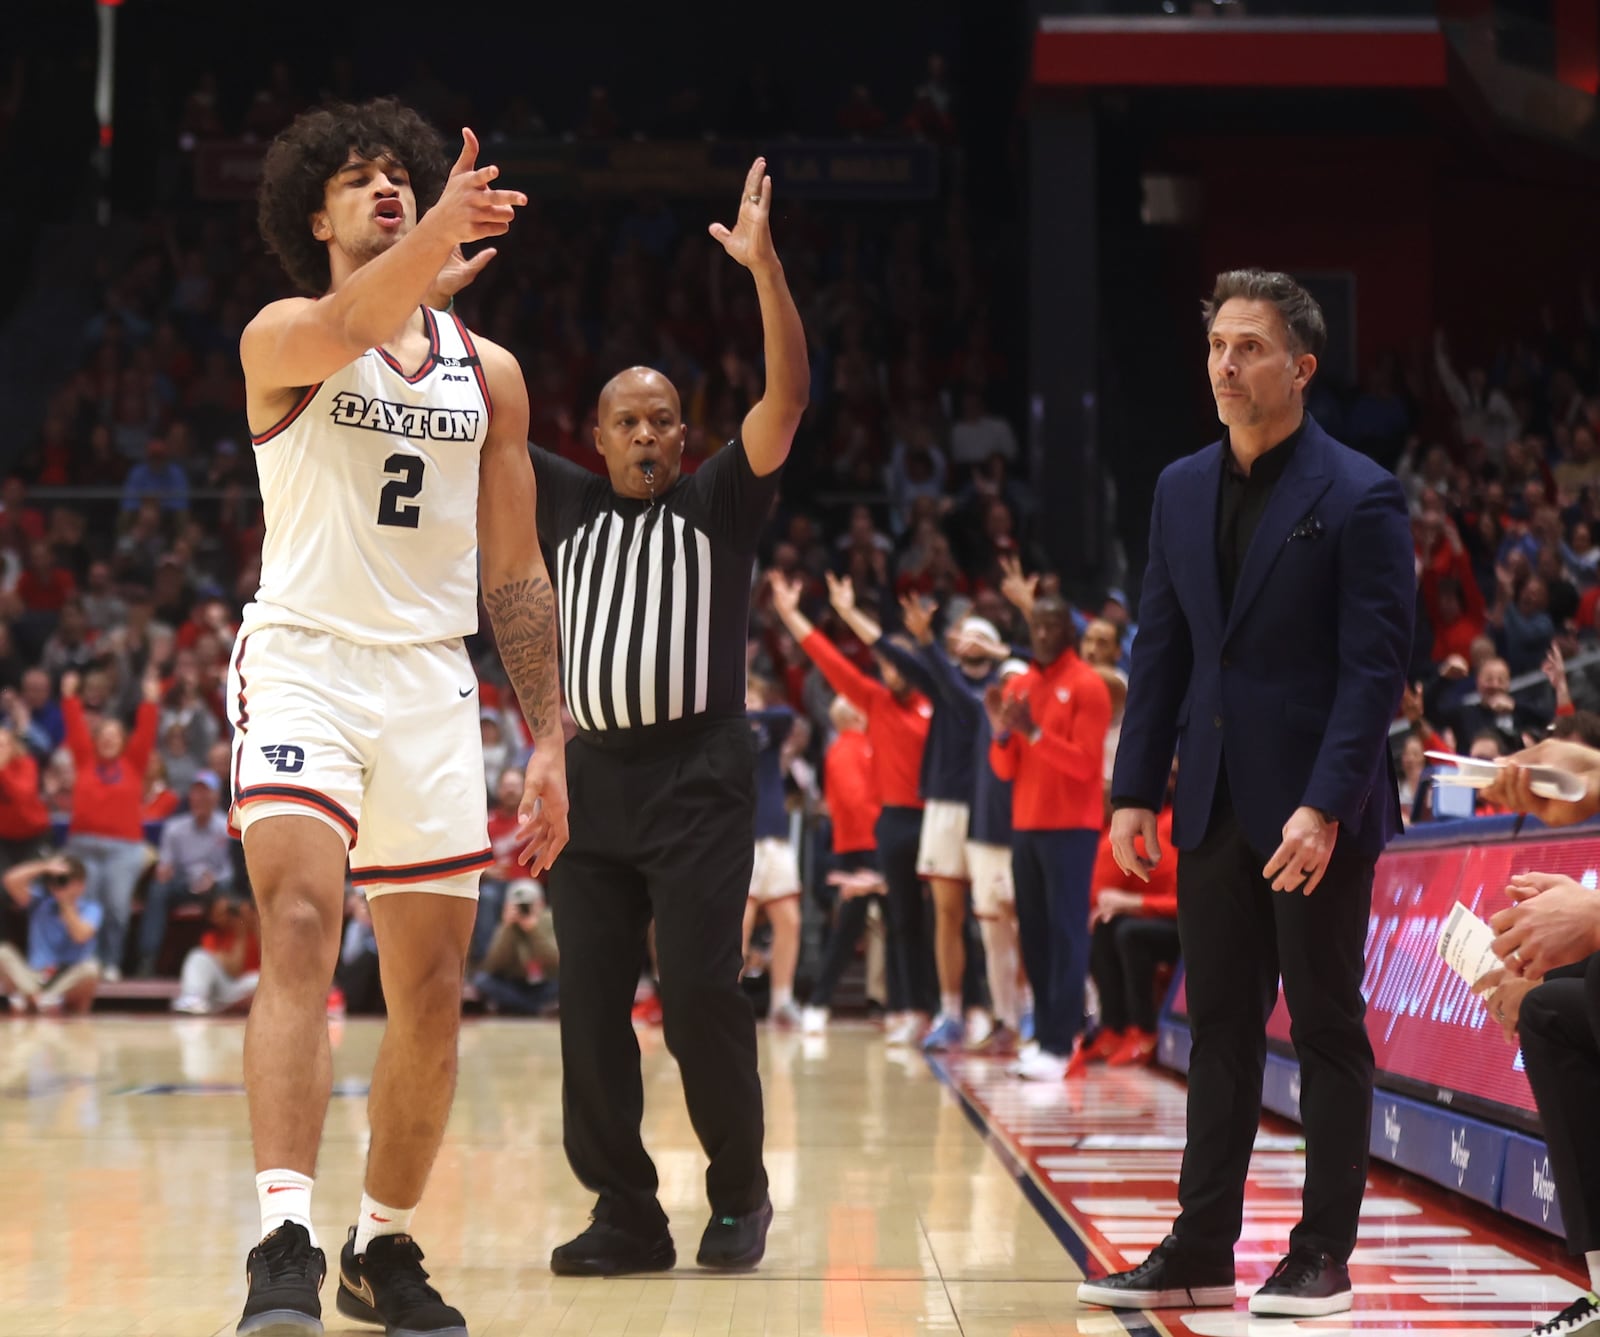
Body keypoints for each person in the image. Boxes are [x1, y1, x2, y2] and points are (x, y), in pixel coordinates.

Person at [231, 99, 566, 1337]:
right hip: (306, 659)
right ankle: (282, 1237)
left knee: (431, 987)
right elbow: (351, 322)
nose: (383, 191)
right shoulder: (284, 334)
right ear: (312, 216)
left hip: (431, 678)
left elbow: (515, 572)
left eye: (400, 179)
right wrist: (426, 240)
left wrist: (547, 739)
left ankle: (383, 1246)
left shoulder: (493, 375)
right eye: (359, 182)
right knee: (303, 922)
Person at [1081, 270, 1414, 1319]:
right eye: (1218, 344)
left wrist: (1324, 803)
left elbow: (1374, 670)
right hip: (1215, 803)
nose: (1226, 364)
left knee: (1322, 1026)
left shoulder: (1359, 492)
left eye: (1250, 347)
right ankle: (1200, 1244)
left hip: (1321, 809)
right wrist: (1135, 786)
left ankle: (1321, 1251)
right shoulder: (1180, 484)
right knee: (1217, 1027)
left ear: (1300, 367)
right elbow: (1163, 643)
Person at [530, 158, 806, 1278]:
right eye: (626, 421)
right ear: (594, 437)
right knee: (587, 1003)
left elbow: (786, 396)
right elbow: (477, 427)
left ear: (685, 440)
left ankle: (737, 1191)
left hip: (698, 770)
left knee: (696, 995)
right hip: (591, 780)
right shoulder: (556, 499)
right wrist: (430, 300)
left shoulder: (720, 500)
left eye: (663, 421)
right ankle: (626, 1212)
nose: (647, 435)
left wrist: (762, 268)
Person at [825, 579, 999, 1051]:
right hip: (941, 809)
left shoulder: (1003, 683)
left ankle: (990, 1009)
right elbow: (894, 654)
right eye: (966, 639)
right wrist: (848, 613)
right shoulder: (940, 684)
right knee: (944, 915)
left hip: (986, 810)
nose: (970, 644)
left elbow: (944, 673)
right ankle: (949, 1009)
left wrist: (993, 646)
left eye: (981, 640)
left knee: (984, 917)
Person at [768, 571, 937, 1045]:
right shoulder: (876, 701)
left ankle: (958, 1008)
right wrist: (791, 615)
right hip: (894, 822)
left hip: (938, 816)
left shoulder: (936, 697)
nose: (890, 672)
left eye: (899, 664)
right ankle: (909, 1010)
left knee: (944, 922)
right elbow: (827, 659)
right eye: (885, 665)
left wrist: (854, 614)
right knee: (901, 921)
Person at [985, 595, 1111, 1080]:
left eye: (1052, 624)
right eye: (1036, 624)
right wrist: (1001, 735)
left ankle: (1062, 1043)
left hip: (1072, 829)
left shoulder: (1088, 686)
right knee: (1034, 935)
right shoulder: (1019, 685)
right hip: (1026, 826)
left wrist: (1034, 731)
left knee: (1065, 933)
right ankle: (1044, 1037)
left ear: (1069, 632)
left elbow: (1083, 765)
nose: (1042, 633)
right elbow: (1004, 769)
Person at [60, 666, 160, 978]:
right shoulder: (84, 758)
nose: (108, 740)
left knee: (117, 908)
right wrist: (69, 697)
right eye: (103, 735)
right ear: (96, 739)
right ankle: (86, 963)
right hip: (83, 847)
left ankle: (112, 962)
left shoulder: (134, 763)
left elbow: (145, 734)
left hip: (123, 850)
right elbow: (75, 727)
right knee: (86, 905)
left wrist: (151, 702)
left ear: (123, 740)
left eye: (114, 735)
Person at [802, 695, 884, 1033]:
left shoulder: (843, 749)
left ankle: (902, 1005)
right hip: (866, 847)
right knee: (858, 926)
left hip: (857, 844)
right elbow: (852, 799)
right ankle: (819, 1002)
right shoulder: (853, 748)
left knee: (874, 927)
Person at [743, 675, 802, 1027]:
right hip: (741, 838)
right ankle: (726, 1000)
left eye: (753, 695)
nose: (748, 700)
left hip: (775, 838)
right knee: (740, 925)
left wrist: (749, 715)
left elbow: (786, 716)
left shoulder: (770, 729)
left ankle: (783, 1000)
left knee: (790, 921)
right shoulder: (726, 733)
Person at [137, 771, 234, 976]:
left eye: (205, 794)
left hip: (213, 885)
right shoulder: (175, 828)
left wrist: (214, 879)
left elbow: (230, 869)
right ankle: (148, 959)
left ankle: (222, 958)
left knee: (227, 892)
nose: (200, 799)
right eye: (196, 794)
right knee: (158, 890)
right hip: (183, 882)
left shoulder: (227, 827)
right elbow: (166, 863)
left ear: (216, 797)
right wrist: (164, 871)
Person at [0, 854, 102, 1014]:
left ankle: (38, 999)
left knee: (91, 969)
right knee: (3, 952)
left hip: (65, 979)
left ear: (80, 885)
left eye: (64, 880)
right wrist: (44, 867)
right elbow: (10, 880)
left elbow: (80, 936)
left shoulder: (91, 909)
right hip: (34, 976)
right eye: (54, 880)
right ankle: (39, 999)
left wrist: (66, 904)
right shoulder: (39, 901)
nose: (58, 886)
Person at [471, 877, 558, 1015]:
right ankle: (535, 1008)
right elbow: (492, 966)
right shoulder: (506, 923)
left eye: (528, 904)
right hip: (514, 983)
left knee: (567, 981)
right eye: (518, 905)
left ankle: (521, 1007)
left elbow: (556, 961)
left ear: (541, 904)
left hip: (544, 983)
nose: (523, 909)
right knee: (483, 981)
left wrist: (533, 930)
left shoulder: (550, 920)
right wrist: (506, 928)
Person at [174, 891, 263, 1015]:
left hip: (250, 989)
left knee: (256, 979)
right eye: (223, 912)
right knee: (198, 956)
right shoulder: (211, 938)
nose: (229, 916)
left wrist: (256, 921)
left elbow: (270, 964)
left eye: (231, 911)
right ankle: (192, 998)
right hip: (222, 992)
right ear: (212, 917)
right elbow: (233, 971)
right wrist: (240, 935)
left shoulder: (256, 932)